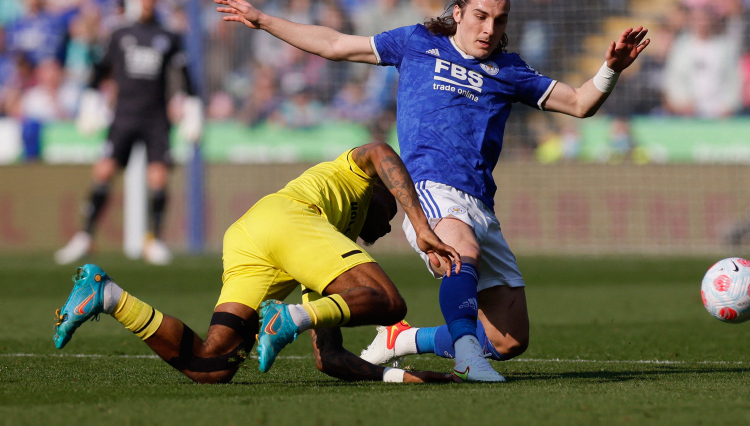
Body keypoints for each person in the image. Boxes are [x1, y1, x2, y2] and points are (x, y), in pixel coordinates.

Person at [215, 0, 649, 382]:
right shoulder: (417, 43)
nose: (488, 29)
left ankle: (404, 338)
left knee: (509, 339)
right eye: (480, 16)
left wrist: (611, 69)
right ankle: (465, 359)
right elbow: (333, 44)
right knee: (461, 251)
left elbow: (578, 103)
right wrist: (263, 20)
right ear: (459, 13)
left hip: (480, 201)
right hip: (431, 186)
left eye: (499, 20)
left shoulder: (510, 70)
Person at [53, 142, 461, 384]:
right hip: (289, 218)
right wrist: (419, 222)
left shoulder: (329, 250)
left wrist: (396, 377)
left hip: (251, 234)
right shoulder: (353, 175)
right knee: (389, 302)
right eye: (390, 213)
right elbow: (379, 150)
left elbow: (329, 357)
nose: (389, 227)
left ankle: (108, 296)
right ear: (380, 189)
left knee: (213, 365)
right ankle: (286, 318)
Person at [54, 0, 202, 265]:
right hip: (124, 116)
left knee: (158, 177)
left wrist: (193, 111)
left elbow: (185, 77)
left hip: (156, 118)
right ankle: (85, 236)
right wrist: (90, 104)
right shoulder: (121, 34)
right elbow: (100, 71)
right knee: (104, 171)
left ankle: (154, 240)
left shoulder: (168, 36)